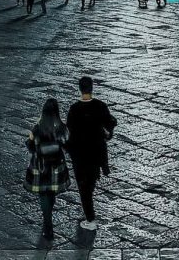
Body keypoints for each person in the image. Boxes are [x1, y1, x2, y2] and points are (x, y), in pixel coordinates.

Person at [66, 77, 117, 231]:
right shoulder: (101, 106)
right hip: (96, 153)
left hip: (80, 155)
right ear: (92, 88)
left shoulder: (74, 109)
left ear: (80, 89)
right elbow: (111, 123)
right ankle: (89, 212)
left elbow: (70, 133)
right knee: (90, 184)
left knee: (84, 188)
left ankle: (90, 218)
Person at [24, 98, 70, 240]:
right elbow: (67, 145)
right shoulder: (62, 128)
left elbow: (31, 149)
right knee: (51, 194)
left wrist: (30, 139)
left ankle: (47, 225)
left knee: (43, 195)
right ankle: (48, 222)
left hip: (40, 166)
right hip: (56, 167)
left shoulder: (37, 128)